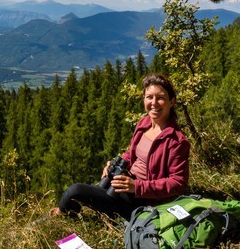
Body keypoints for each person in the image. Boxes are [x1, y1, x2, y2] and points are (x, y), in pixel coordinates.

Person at [53, 73, 191, 220]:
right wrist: (114, 166)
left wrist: (137, 187)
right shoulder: (144, 123)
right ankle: (68, 216)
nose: (154, 103)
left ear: (172, 101)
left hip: (142, 201)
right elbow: (132, 153)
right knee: (90, 191)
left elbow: (178, 183)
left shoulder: (176, 141)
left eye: (161, 98)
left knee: (75, 190)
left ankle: (58, 216)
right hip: (125, 185)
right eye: (149, 97)